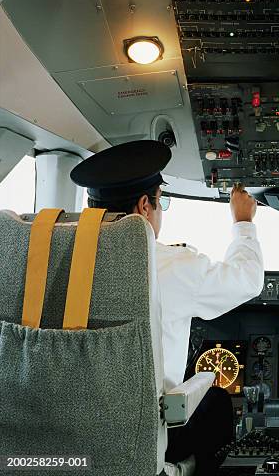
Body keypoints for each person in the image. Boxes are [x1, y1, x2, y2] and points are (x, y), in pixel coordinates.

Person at [70, 140, 265, 476]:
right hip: (143, 437)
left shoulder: (60, 262)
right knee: (216, 401)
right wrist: (243, 222)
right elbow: (247, 280)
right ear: (145, 206)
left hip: (66, 430)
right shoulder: (173, 266)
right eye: (161, 202)